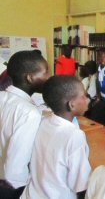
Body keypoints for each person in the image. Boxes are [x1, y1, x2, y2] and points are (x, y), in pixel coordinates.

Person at [21, 76, 91, 199]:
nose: (88, 99)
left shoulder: (42, 121)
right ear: (71, 105)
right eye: (84, 96)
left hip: (31, 194)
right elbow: (80, 184)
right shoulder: (75, 136)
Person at [0, 50, 49, 199]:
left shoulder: (2, 96)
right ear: (30, 77)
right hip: (11, 187)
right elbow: (16, 162)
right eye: (45, 73)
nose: (48, 77)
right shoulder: (30, 113)